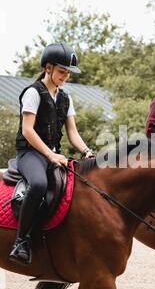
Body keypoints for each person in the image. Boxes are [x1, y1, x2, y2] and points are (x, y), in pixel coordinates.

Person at [9, 42, 94, 266]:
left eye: (67, 73)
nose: (65, 76)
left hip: (54, 154)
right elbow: (28, 131)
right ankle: (21, 241)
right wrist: (50, 155)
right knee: (37, 184)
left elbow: (72, 132)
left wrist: (86, 151)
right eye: (61, 71)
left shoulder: (66, 98)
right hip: (31, 153)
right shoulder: (33, 93)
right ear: (48, 68)